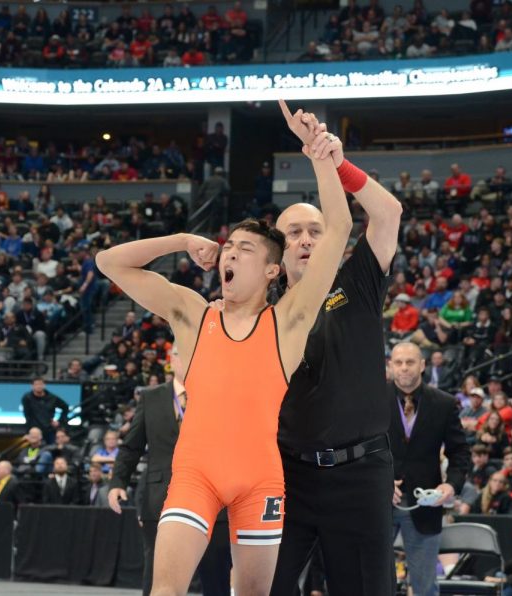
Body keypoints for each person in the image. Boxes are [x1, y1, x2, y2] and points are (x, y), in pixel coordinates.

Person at [95, 106, 351, 596]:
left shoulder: (289, 321)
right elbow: (111, 263)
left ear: (273, 270)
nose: (230, 254)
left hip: (260, 481)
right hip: (195, 474)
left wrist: (318, 154)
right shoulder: (194, 314)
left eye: (245, 250)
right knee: (165, 591)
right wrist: (180, 240)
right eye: (228, 246)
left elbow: (337, 230)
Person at [269, 103, 403, 596]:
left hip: (361, 473)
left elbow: (388, 212)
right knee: (264, 586)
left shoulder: (358, 279)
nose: (305, 239)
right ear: (278, 252)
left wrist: (333, 162)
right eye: (293, 233)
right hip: (287, 475)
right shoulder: (264, 313)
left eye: (315, 230)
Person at [108, 376, 232, 596]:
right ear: (171, 359)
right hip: (160, 496)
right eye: (178, 352)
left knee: (216, 574)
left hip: (214, 495)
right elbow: (131, 446)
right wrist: (118, 482)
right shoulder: (150, 397)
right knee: (157, 576)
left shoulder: (219, 391)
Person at [388, 341, 470, 596]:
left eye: (410, 362)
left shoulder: (444, 403)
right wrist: (378, 480)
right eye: (399, 363)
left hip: (425, 506)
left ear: (422, 365)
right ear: (390, 366)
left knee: (424, 587)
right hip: (379, 503)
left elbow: (460, 452)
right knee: (371, 581)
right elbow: (360, 450)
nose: (404, 368)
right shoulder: (372, 399)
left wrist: (450, 485)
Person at [21, 377, 69, 443]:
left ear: (44, 385)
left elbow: (65, 407)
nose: (39, 386)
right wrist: (27, 432)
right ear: (32, 386)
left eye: (40, 384)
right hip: (34, 430)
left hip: (49, 429)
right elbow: (27, 415)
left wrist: (59, 421)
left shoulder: (52, 397)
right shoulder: (27, 398)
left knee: (52, 448)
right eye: (36, 384)